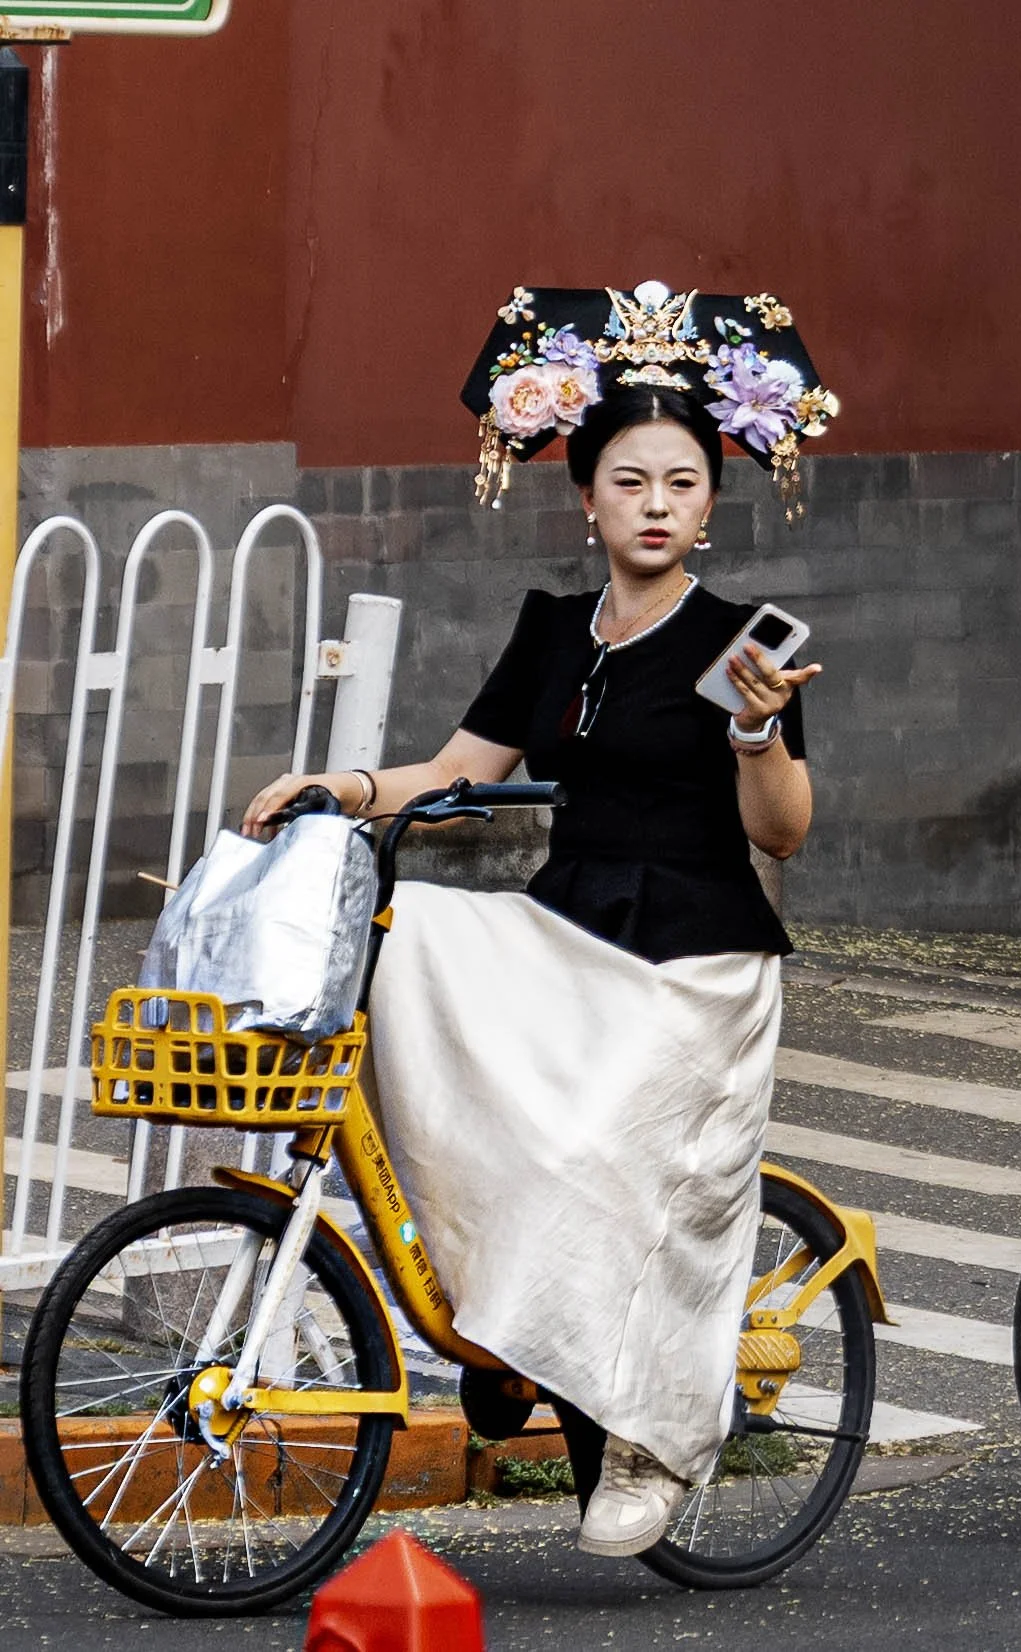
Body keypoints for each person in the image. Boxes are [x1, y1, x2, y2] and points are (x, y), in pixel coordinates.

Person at [245, 279, 840, 1555]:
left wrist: (757, 728)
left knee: (586, 1157)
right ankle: (507, 1322)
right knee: (405, 941)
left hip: (695, 957)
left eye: (682, 483)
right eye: (631, 481)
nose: (656, 503)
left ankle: (650, 1435)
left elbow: (784, 830)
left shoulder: (742, 642)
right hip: (570, 930)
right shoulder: (555, 629)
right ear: (586, 498)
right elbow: (455, 768)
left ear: (711, 505)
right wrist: (338, 789)